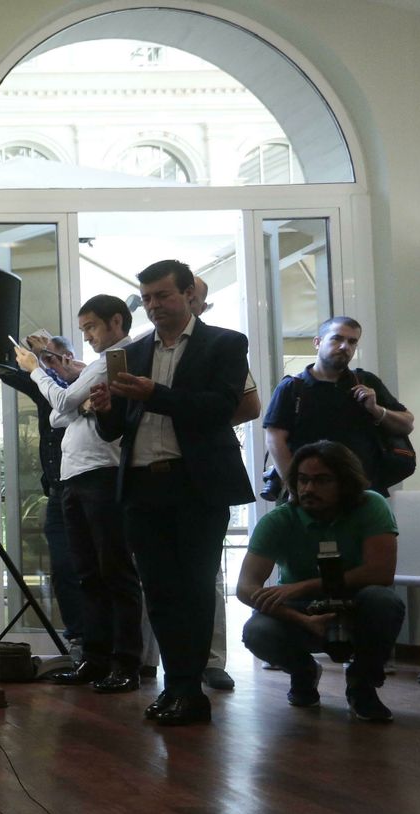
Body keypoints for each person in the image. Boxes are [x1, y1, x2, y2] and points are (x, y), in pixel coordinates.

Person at [91, 260, 255, 726]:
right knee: (159, 592)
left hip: (195, 483)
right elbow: (118, 427)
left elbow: (221, 407)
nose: (154, 306)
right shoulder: (136, 351)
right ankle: (173, 686)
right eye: (146, 299)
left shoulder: (224, 343)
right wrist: (106, 410)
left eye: (162, 296)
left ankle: (190, 689)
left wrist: (154, 394)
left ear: (188, 295)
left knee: (195, 587)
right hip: (142, 485)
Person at [13, 297, 145, 692]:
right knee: (86, 573)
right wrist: (72, 396)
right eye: (84, 328)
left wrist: (38, 370)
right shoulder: (98, 365)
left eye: (90, 327)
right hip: (74, 476)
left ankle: (125, 663)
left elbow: (62, 403)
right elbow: (58, 414)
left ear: (116, 321)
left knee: (114, 572)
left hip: (101, 474)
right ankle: (95, 657)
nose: (86, 336)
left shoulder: (114, 359)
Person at [238, 441, 401, 722]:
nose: (308, 489)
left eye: (321, 480)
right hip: (302, 609)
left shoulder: (371, 505)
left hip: (357, 603)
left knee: (384, 601)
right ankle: (303, 673)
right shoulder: (279, 521)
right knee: (257, 630)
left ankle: (361, 686)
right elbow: (245, 587)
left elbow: (381, 572)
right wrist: (301, 619)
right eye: (303, 480)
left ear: (345, 482)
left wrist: (303, 585)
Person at [188, 274, 258, 692]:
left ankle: (212, 660)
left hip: (203, 470)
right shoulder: (144, 348)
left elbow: (251, 405)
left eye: (194, 297)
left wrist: (194, 427)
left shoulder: (222, 346)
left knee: (207, 572)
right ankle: (153, 659)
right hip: (151, 472)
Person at [0, 334, 85, 649]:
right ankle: (78, 637)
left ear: (69, 358)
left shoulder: (82, 386)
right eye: (43, 360)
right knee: (61, 566)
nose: (45, 366)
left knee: (89, 566)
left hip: (84, 489)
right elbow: (8, 372)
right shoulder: (42, 387)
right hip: (58, 492)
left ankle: (100, 641)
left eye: (52, 358)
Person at [264, 316, 415, 496]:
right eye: (337, 338)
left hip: (363, 492)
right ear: (317, 342)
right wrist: (295, 487)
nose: (345, 347)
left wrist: (376, 410)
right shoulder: (292, 387)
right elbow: (274, 439)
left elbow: (407, 424)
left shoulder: (366, 382)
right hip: (311, 494)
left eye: (352, 342)